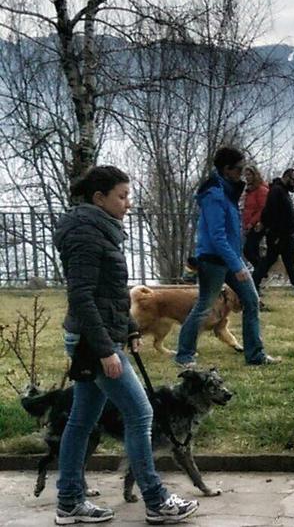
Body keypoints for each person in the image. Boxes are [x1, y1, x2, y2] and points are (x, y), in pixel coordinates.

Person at [54, 165, 198, 524]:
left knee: (81, 421)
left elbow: (111, 294)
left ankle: (69, 502)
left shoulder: (99, 231)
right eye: (122, 196)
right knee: (140, 413)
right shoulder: (86, 235)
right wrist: (105, 350)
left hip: (100, 334)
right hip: (93, 340)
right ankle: (156, 499)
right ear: (98, 198)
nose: (128, 203)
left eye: (128, 195)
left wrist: (131, 329)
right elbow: (83, 297)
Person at [176, 147, 280, 368]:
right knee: (204, 306)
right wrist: (237, 265)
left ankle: (255, 355)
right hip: (213, 260)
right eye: (239, 169)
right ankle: (184, 354)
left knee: (251, 301)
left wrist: (236, 260)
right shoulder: (214, 194)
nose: (242, 174)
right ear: (226, 169)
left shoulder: (227, 191)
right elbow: (216, 236)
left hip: (231, 258)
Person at [251, 168, 294, 296]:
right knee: (269, 259)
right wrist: (275, 232)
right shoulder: (276, 191)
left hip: (285, 234)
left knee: (289, 261)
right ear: (286, 178)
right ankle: (253, 284)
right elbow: (269, 212)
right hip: (279, 234)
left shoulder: (282, 191)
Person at [241, 165, 269, 269]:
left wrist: (251, 223)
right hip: (250, 224)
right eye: (246, 175)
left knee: (248, 250)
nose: (247, 177)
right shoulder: (249, 191)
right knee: (253, 251)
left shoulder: (261, 190)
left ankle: (261, 271)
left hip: (257, 224)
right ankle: (259, 274)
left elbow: (263, 209)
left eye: (249, 175)